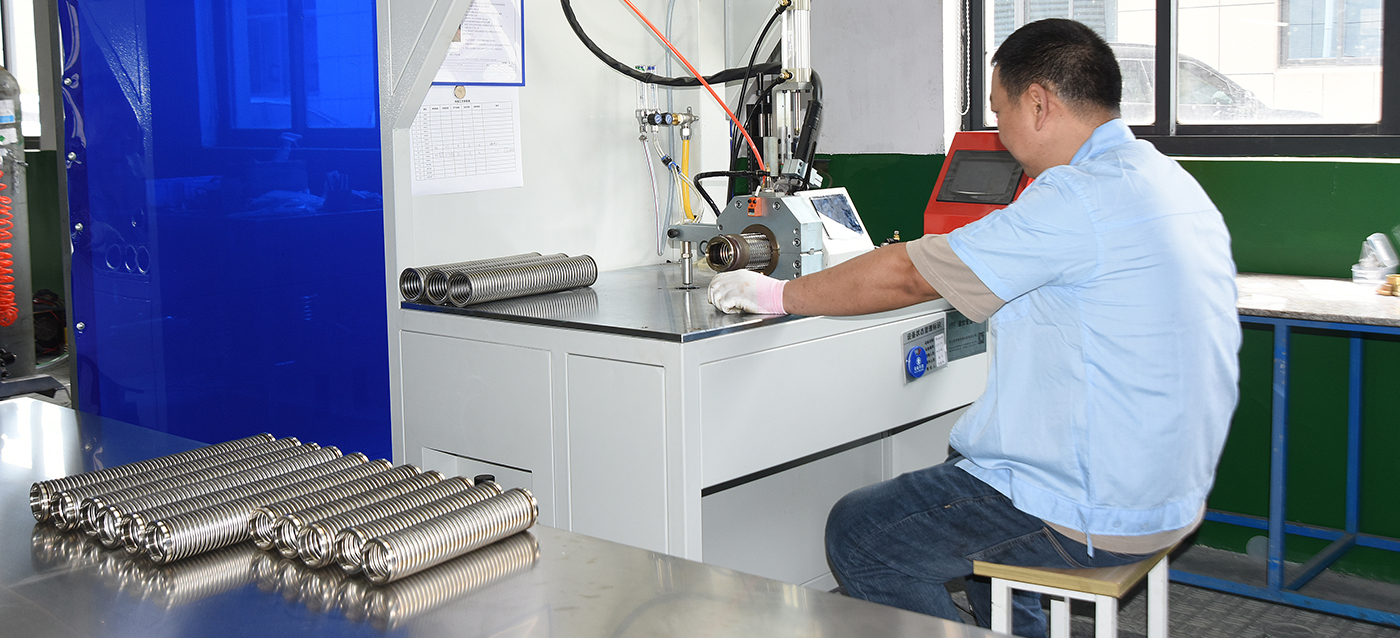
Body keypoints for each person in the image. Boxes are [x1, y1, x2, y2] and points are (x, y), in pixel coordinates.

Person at [707, 18, 1241, 638]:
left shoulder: (1075, 197)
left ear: (1037, 103)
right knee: (966, 458)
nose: (997, 129)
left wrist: (778, 295)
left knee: (860, 534)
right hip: (1172, 491)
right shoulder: (1168, 181)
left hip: (1099, 510)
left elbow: (909, 276)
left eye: (998, 109)